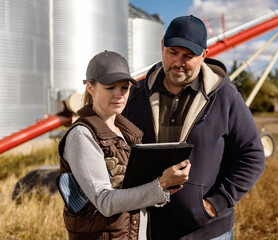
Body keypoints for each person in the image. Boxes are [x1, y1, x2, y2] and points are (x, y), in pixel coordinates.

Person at [123, 15, 266, 239]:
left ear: (204, 55)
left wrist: (213, 205)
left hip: (208, 231)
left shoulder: (224, 97)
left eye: (188, 56)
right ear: (162, 46)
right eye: (172, 53)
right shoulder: (137, 95)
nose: (178, 62)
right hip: (149, 228)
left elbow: (253, 156)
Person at [58, 50, 191, 240]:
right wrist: (160, 184)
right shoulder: (82, 135)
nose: (119, 94)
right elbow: (104, 202)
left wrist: (166, 187)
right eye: (110, 87)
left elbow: (138, 194)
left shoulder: (129, 134)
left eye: (124, 87)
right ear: (91, 88)